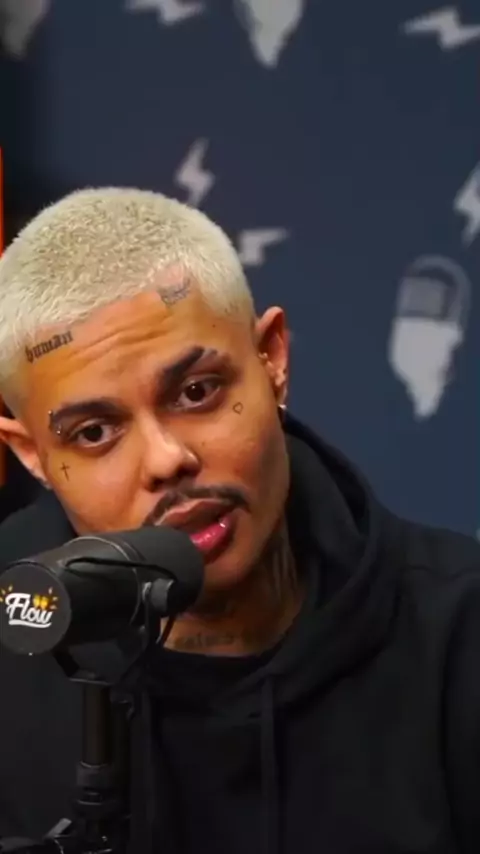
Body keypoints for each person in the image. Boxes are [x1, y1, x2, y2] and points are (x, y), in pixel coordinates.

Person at [0, 187, 479, 854]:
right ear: (32, 455)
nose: (167, 459)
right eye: (95, 432)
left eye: (196, 392)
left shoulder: (460, 632)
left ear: (271, 360)